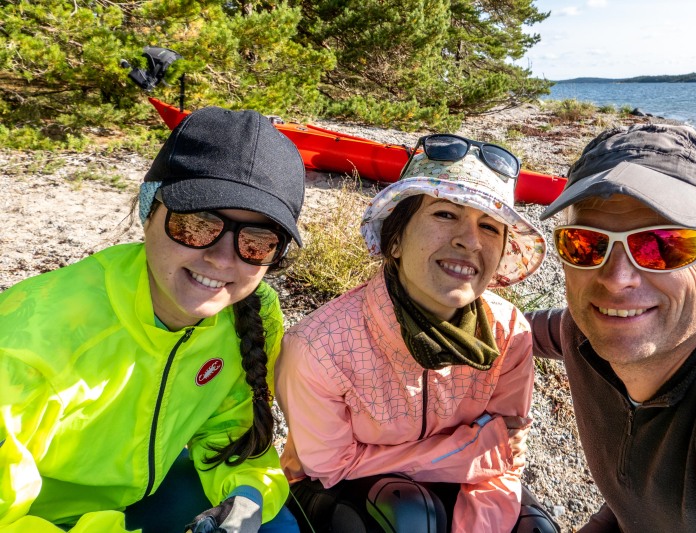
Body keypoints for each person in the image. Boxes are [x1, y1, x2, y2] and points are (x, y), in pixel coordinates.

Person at [0, 106, 305, 533]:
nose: (220, 259)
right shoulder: (29, 339)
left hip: (145, 493)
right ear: (149, 210)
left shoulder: (253, 312)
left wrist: (247, 495)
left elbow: (229, 429)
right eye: (197, 225)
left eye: (256, 242)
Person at [275, 134, 560, 533]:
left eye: (491, 226)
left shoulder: (509, 332)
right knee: (409, 517)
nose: (470, 241)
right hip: (334, 489)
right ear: (395, 239)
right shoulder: (320, 346)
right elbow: (330, 465)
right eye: (445, 214)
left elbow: (503, 464)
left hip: (461, 479)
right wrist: (475, 447)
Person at [527, 123, 696, 532]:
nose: (616, 278)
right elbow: (509, 327)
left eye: (663, 245)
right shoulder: (582, 333)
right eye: (585, 243)